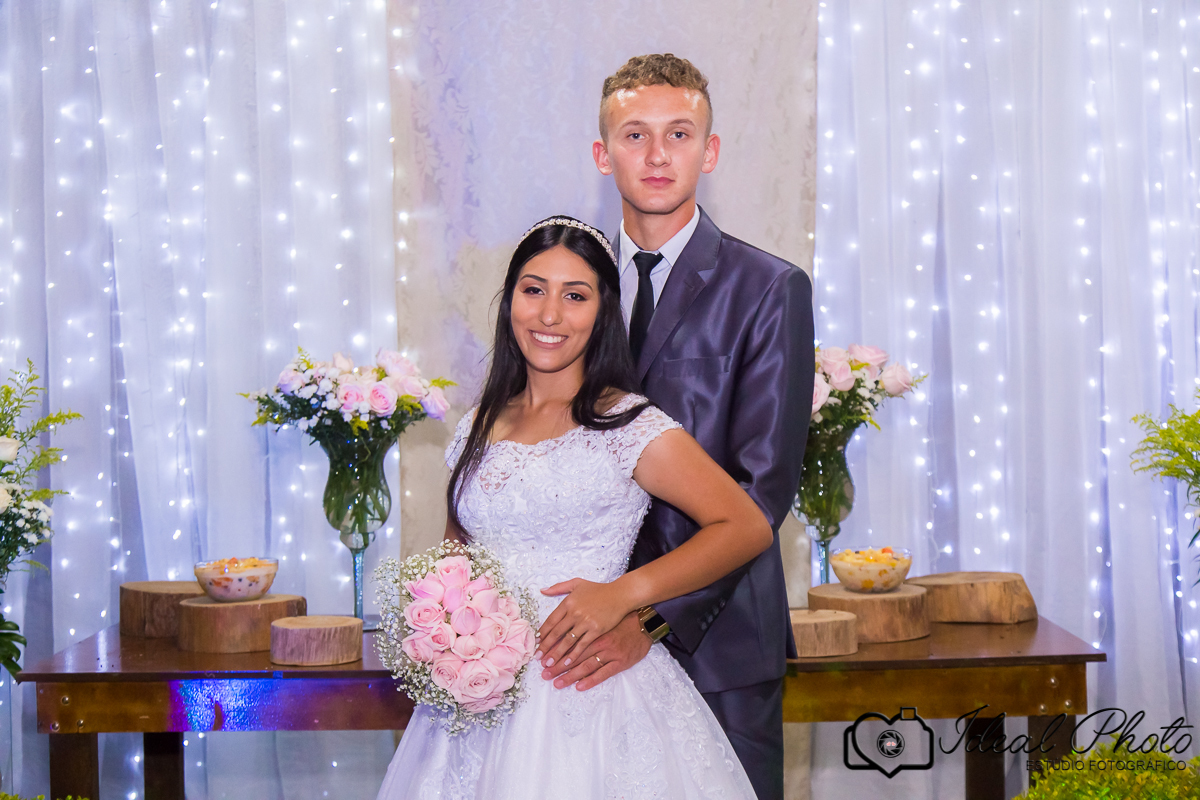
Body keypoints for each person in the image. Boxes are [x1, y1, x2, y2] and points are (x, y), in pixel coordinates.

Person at [376, 216, 770, 799]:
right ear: (510, 300)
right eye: (533, 290)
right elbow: (458, 554)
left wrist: (624, 594)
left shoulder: (626, 423)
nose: (550, 315)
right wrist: (443, 632)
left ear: (603, 312)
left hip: (588, 684)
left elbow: (745, 526)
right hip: (478, 693)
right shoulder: (476, 425)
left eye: (575, 296)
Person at [538, 54, 815, 800]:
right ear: (603, 155)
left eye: (679, 134)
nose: (657, 155)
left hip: (718, 645)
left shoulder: (770, 289)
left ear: (709, 151)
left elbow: (761, 493)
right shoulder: (569, 287)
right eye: (635, 135)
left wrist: (648, 618)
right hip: (581, 641)